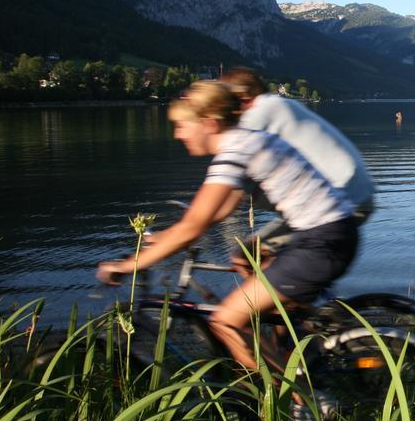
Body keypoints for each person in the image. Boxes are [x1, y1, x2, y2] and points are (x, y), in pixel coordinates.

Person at [96, 81, 359, 370]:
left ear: (208, 123)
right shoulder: (246, 141)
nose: (177, 134)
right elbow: (217, 211)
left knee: (225, 321)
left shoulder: (236, 151)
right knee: (261, 303)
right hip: (328, 234)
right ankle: (300, 352)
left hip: (321, 243)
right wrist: (165, 238)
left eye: (183, 125)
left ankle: (304, 402)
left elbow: (193, 227)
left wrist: (127, 266)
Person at [219, 67, 375, 224]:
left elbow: (232, 174)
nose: (225, 112)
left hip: (342, 197)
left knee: (268, 246)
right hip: (351, 193)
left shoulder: (261, 112)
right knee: (261, 245)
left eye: (225, 103)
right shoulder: (278, 103)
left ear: (243, 96)